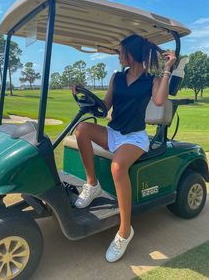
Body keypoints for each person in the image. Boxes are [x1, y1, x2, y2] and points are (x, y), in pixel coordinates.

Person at [74, 34, 176, 262]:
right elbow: (105, 105)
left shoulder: (151, 80)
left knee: (118, 167)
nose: (118, 56)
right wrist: (82, 93)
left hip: (135, 137)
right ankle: (92, 184)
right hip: (114, 133)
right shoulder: (116, 78)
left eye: (121, 52)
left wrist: (167, 68)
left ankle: (124, 231)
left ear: (132, 54)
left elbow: (159, 101)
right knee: (82, 130)